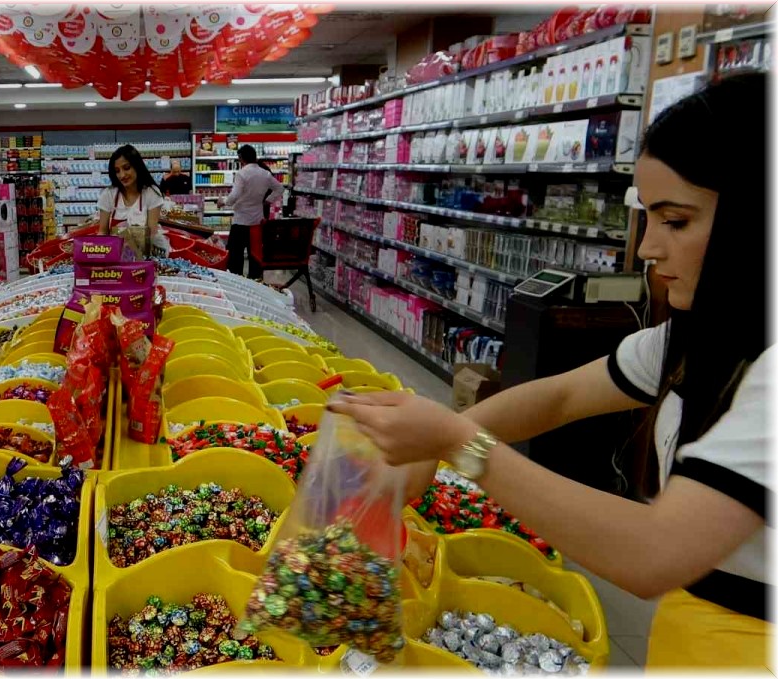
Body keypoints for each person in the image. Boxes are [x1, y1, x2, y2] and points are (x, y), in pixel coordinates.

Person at [329, 74, 770, 669]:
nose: (647, 249)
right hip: (695, 629)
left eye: (677, 221)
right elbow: (561, 396)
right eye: (650, 219)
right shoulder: (697, 339)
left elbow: (655, 552)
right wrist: (431, 451)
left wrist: (460, 442)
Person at [221, 144, 284, 279]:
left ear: (241, 158)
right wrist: (267, 200)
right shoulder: (265, 174)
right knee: (255, 255)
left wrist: (225, 202)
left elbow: (235, 195)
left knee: (235, 257)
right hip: (256, 221)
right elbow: (280, 188)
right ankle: (255, 282)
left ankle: (237, 282)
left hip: (240, 221)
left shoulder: (242, 174)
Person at [96, 144, 164, 258]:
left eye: (126, 168)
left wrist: (137, 257)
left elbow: (152, 233)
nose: (122, 175)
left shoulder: (151, 192)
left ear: (137, 166)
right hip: (114, 258)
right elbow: (102, 231)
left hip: (143, 256)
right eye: (117, 171)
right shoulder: (108, 194)